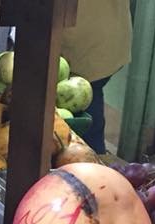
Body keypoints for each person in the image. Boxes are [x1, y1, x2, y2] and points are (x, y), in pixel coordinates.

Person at [60, 0, 133, 154]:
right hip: (106, 36)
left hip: (82, 41)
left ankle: (91, 158)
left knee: (84, 114)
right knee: (88, 102)